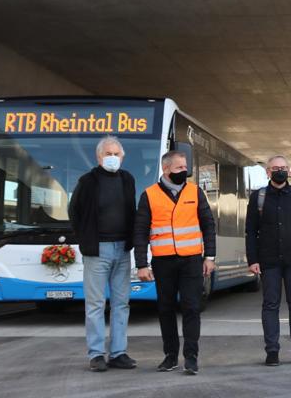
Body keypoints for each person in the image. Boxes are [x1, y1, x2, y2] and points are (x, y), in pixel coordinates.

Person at [134, 150, 217, 375]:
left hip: (191, 261)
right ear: (166, 169)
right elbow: (140, 231)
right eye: (180, 168)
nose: (185, 171)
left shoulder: (195, 192)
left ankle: (191, 357)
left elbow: (208, 225)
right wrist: (142, 264)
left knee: (192, 308)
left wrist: (210, 257)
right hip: (163, 262)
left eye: (185, 167)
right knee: (166, 309)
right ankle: (170, 356)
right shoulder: (149, 195)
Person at [68, 135, 138, 372]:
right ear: (98, 157)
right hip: (97, 250)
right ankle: (96, 354)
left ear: (122, 156)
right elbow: (74, 212)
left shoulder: (128, 179)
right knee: (96, 304)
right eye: (107, 154)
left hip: (122, 249)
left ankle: (118, 353)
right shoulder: (87, 181)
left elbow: (132, 210)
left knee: (121, 303)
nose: (112, 158)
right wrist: (85, 239)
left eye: (116, 154)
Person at [245, 155, 291, 367]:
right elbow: (251, 231)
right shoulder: (258, 197)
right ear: (268, 172)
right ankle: (272, 351)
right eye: (276, 168)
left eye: (284, 168)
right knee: (270, 304)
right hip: (268, 261)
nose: (280, 171)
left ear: (289, 171)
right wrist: (253, 259)